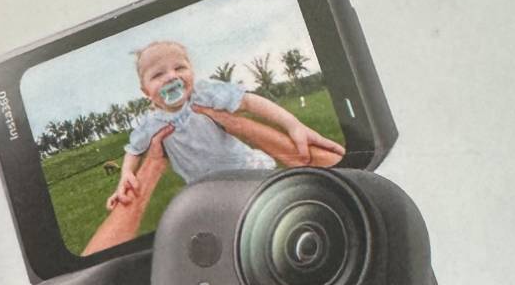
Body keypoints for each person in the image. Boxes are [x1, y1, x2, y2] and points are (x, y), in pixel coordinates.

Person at [105, 39, 343, 212]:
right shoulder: (151, 123)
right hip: (208, 192)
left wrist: (292, 124)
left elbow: (248, 101)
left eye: (179, 68)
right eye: (158, 75)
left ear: (192, 71)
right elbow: (133, 150)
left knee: (289, 205)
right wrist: (126, 174)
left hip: (249, 171)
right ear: (146, 91)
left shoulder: (204, 94)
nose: (171, 76)